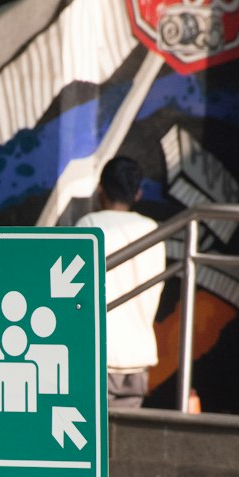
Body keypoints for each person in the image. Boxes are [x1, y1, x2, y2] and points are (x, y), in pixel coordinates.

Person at [76, 155, 165, 409]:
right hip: (138, 357)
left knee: (95, 442)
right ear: (137, 194)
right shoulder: (152, 230)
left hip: (100, 358)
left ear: (100, 190)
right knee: (126, 442)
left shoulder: (89, 226)